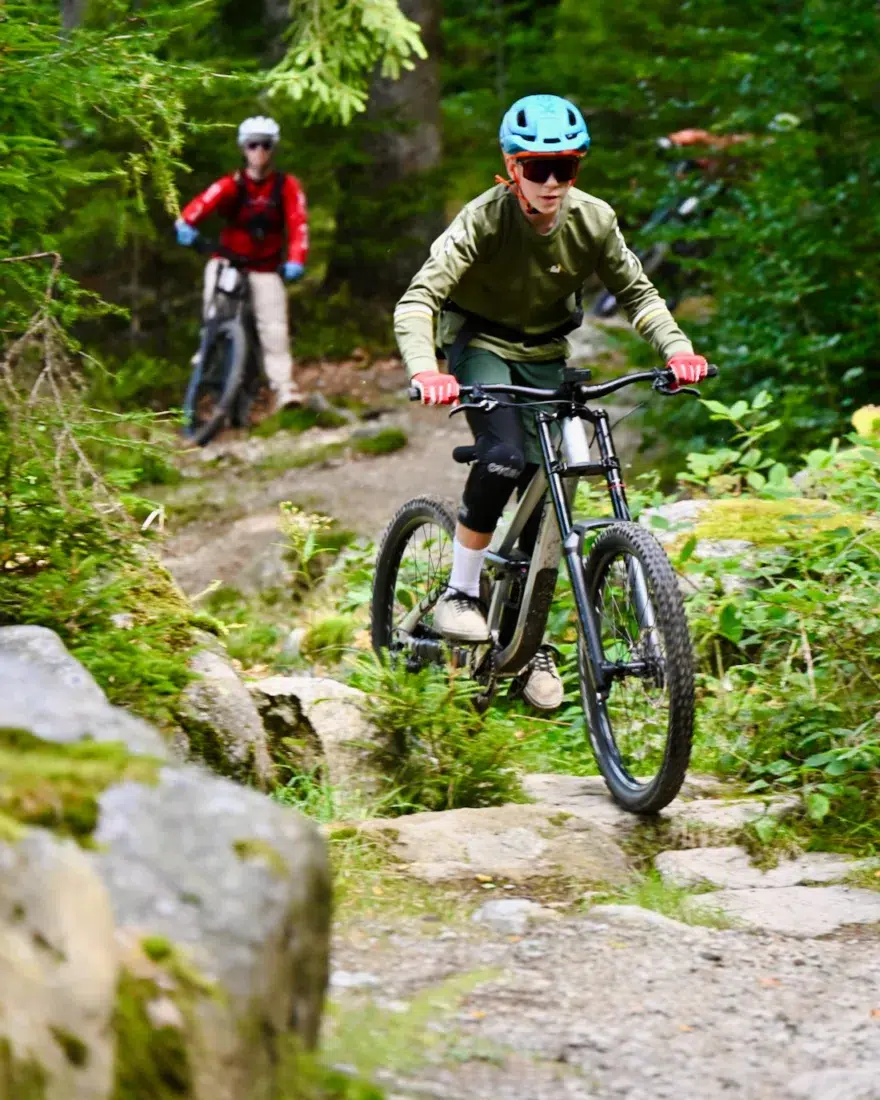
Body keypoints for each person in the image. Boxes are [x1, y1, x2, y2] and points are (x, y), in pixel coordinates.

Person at [393, 93, 708, 712]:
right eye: (537, 168)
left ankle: (527, 641)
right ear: (512, 168)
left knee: (553, 493)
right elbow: (419, 298)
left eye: (564, 167)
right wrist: (427, 370)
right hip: (482, 345)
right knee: (505, 457)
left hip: (546, 354)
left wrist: (678, 350)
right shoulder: (483, 220)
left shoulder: (594, 220)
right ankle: (460, 593)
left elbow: (639, 294)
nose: (551, 182)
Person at [174, 116, 309, 410]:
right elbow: (200, 206)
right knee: (215, 306)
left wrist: (296, 260)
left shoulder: (286, 186)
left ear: (273, 149)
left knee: (274, 328)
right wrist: (185, 226)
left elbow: (299, 224)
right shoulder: (231, 184)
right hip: (229, 262)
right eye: (252, 145)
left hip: (265, 267)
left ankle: (284, 388)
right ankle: (206, 350)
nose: (259, 151)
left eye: (265, 145)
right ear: (243, 148)